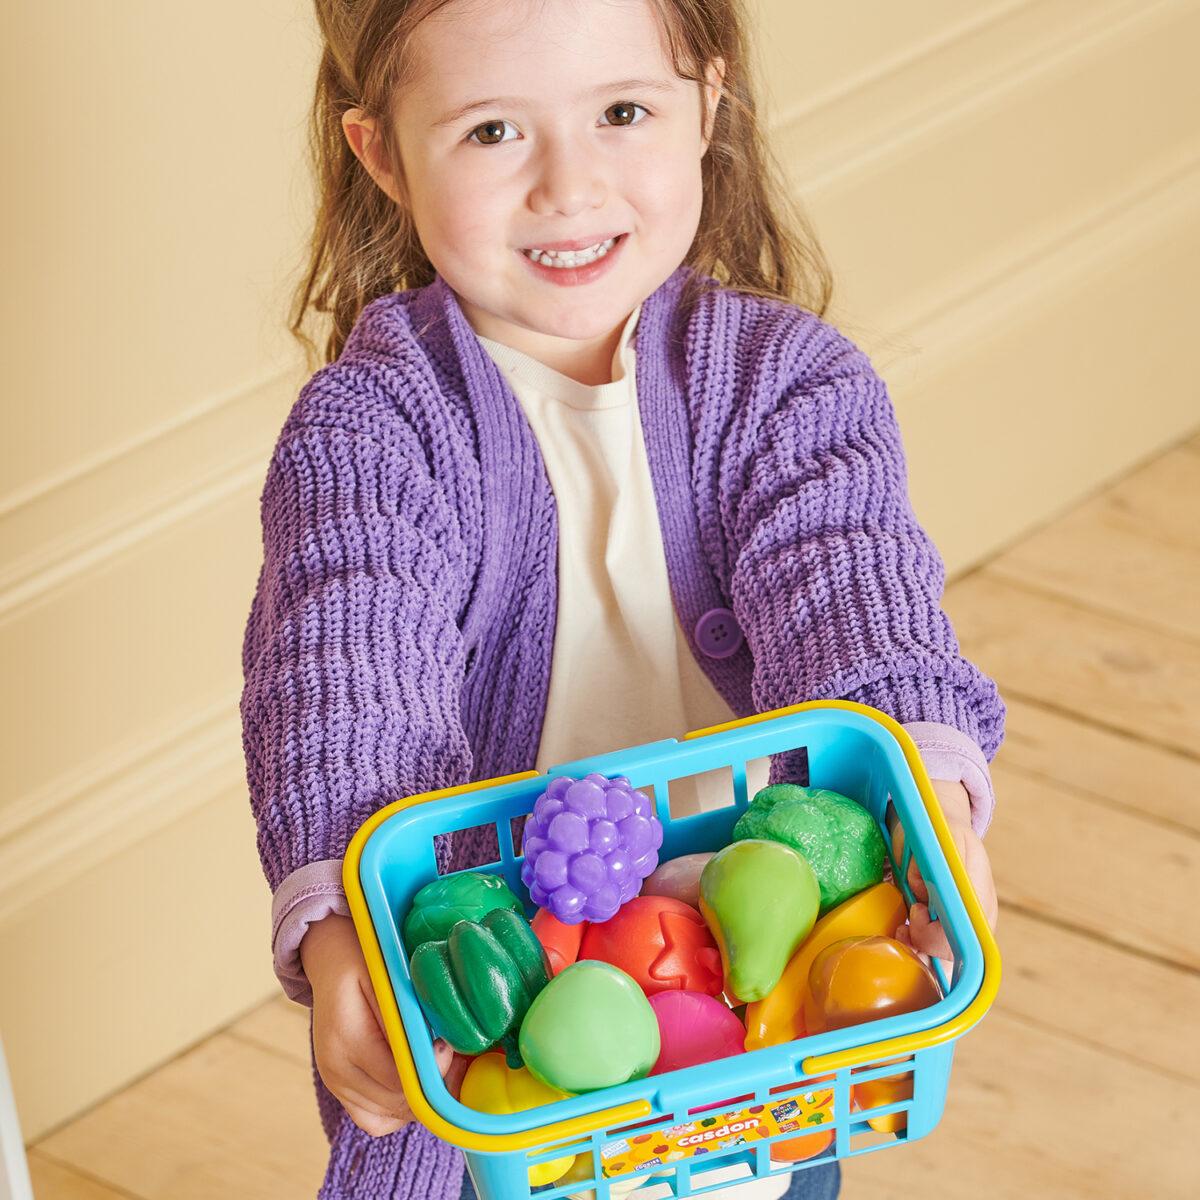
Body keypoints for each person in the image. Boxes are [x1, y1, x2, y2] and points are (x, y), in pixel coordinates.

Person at [239, 0, 1005, 1197]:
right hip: (495, 1049)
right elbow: (346, 690)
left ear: (708, 99)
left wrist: (932, 799)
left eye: (623, 112)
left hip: (760, 1041)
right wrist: (349, 932)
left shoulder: (791, 384)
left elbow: (858, 601)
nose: (567, 185)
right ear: (383, 152)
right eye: (493, 131)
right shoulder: (374, 428)